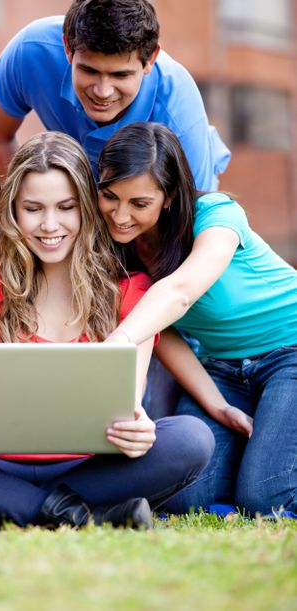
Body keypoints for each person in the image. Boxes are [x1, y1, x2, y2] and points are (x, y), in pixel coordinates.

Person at [0, 132, 217, 533]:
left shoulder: (130, 291)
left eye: (66, 207)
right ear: (13, 211)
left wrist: (139, 430)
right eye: (33, 208)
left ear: (86, 208)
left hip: (90, 465)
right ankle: (82, 514)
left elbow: (126, 409)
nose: (50, 225)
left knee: (192, 439)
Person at [97, 121, 297, 516]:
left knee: (264, 499)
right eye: (109, 197)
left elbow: (180, 292)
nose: (120, 215)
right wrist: (219, 406)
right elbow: (163, 334)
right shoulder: (119, 248)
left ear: (169, 196)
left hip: (289, 350)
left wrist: (117, 342)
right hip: (221, 367)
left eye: (139, 203)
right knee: (185, 496)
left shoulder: (217, 214)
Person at [0, 0, 230, 191]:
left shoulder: (178, 112)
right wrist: (26, 208)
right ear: (68, 48)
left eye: (120, 76)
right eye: (89, 70)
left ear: (150, 60)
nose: (102, 92)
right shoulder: (31, 52)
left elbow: (194, 217)